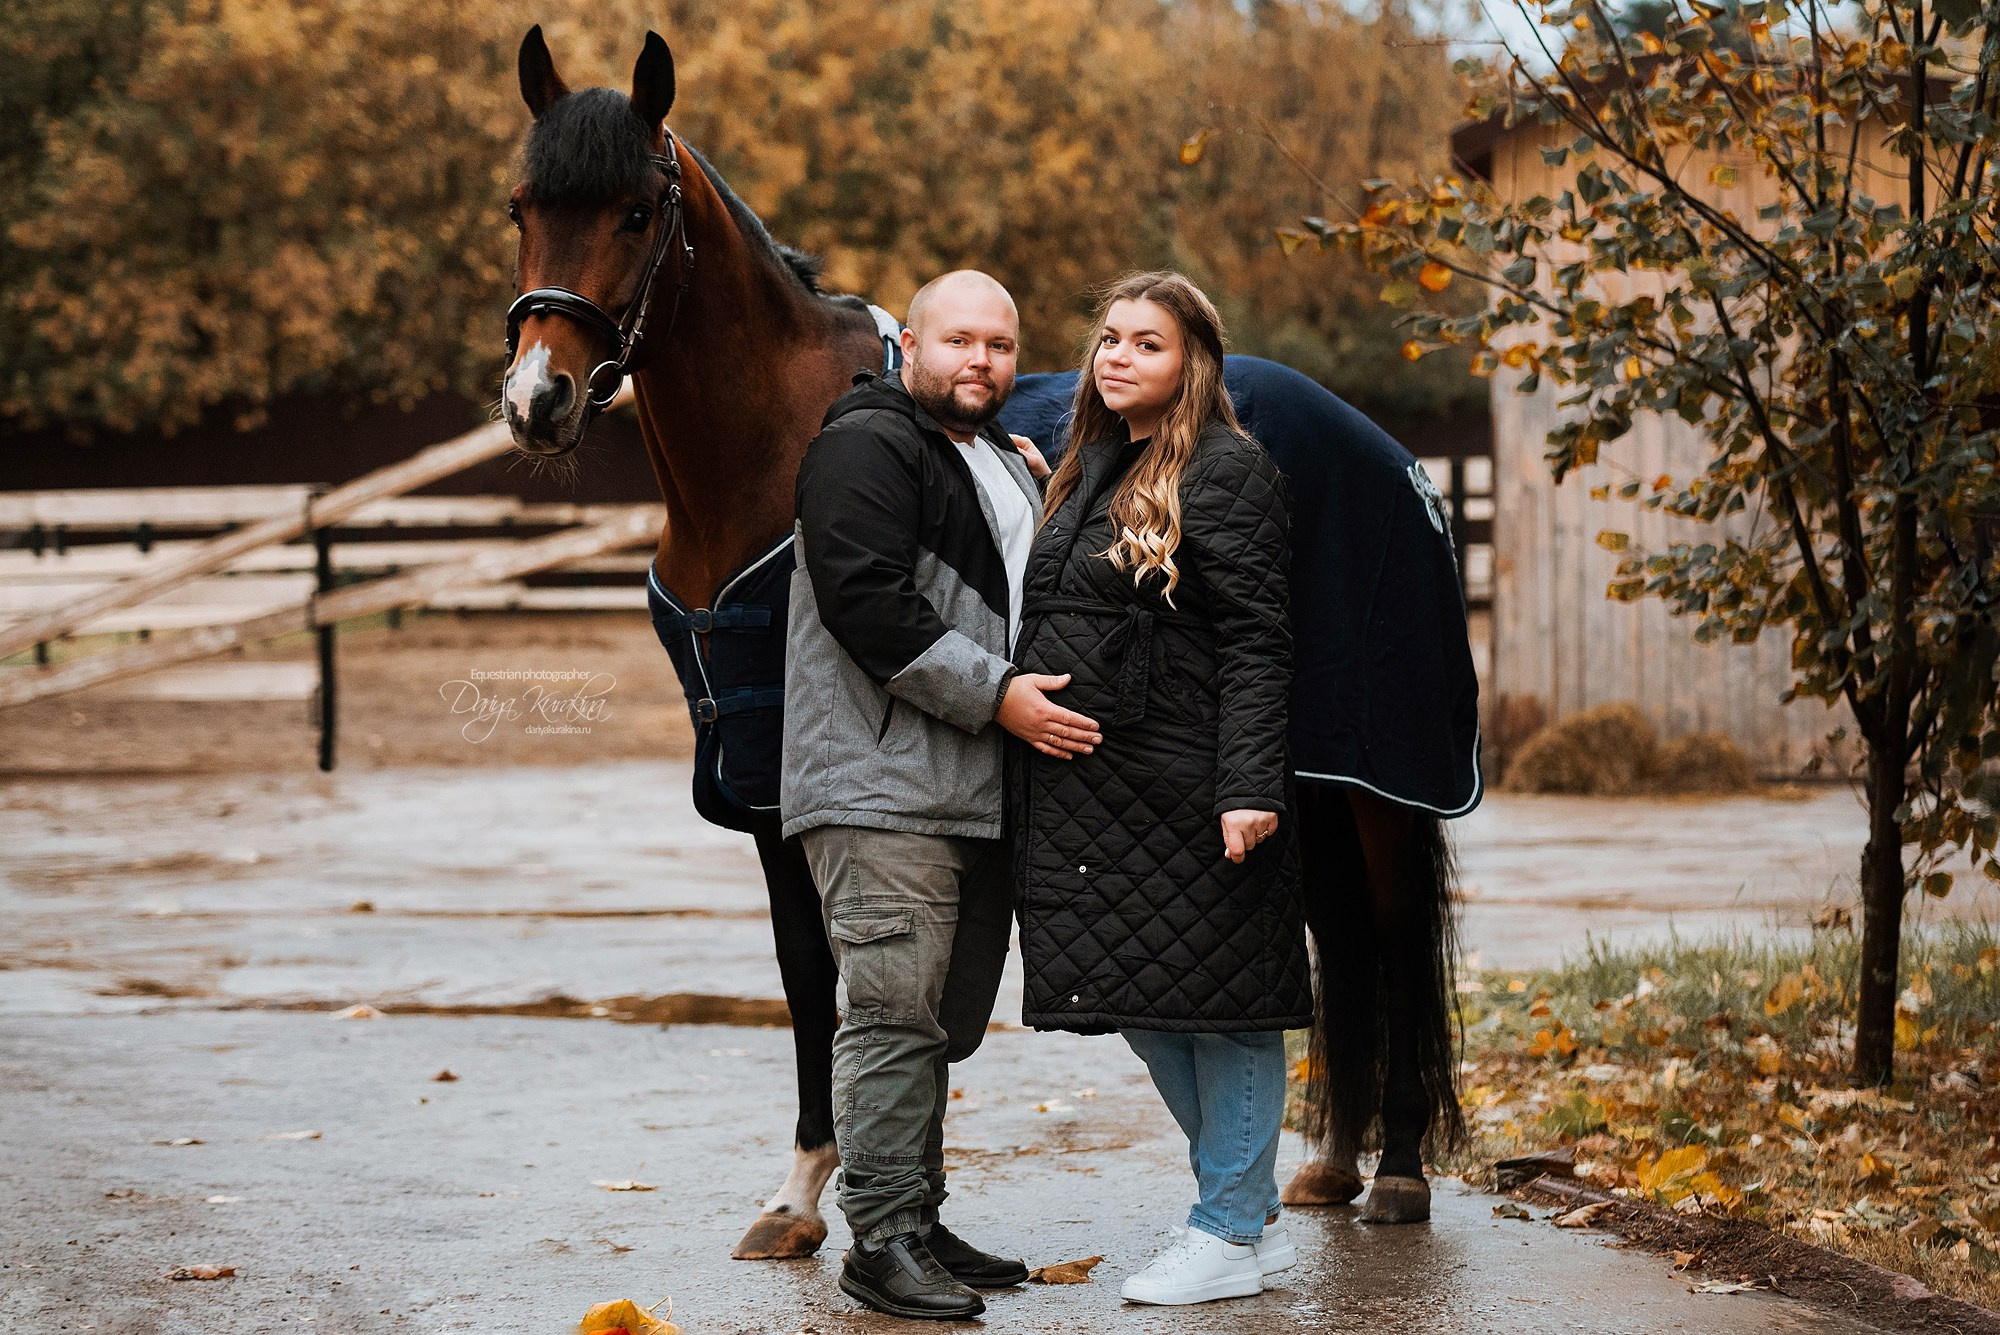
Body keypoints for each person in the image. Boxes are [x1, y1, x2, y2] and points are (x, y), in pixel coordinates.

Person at [781, 269, 1102, 1320]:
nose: (981, 361)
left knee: (936, 1022)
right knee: (887, 1012)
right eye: (958, 340)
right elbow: (864, 600)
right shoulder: (863, 444)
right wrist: (1000, 698)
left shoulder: (997, 459)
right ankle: (879, 1239)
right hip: (879, 787)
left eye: (1000, 346)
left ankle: (914, 1215)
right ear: (905, 346)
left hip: (971, 791)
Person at [1012, 271, 1312, 1306]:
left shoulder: (1225, 469)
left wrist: (1247, 787)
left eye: (1147, 342)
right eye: (1107, 338)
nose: (1117, 355)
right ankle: (1249, 1214)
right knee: (1148, 999)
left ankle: (1224, 1227)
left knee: (1225, 1011)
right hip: (1098, 796)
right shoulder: (1087, 467)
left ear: (1192, 364)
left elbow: (1257, 642)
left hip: (1190, 785)